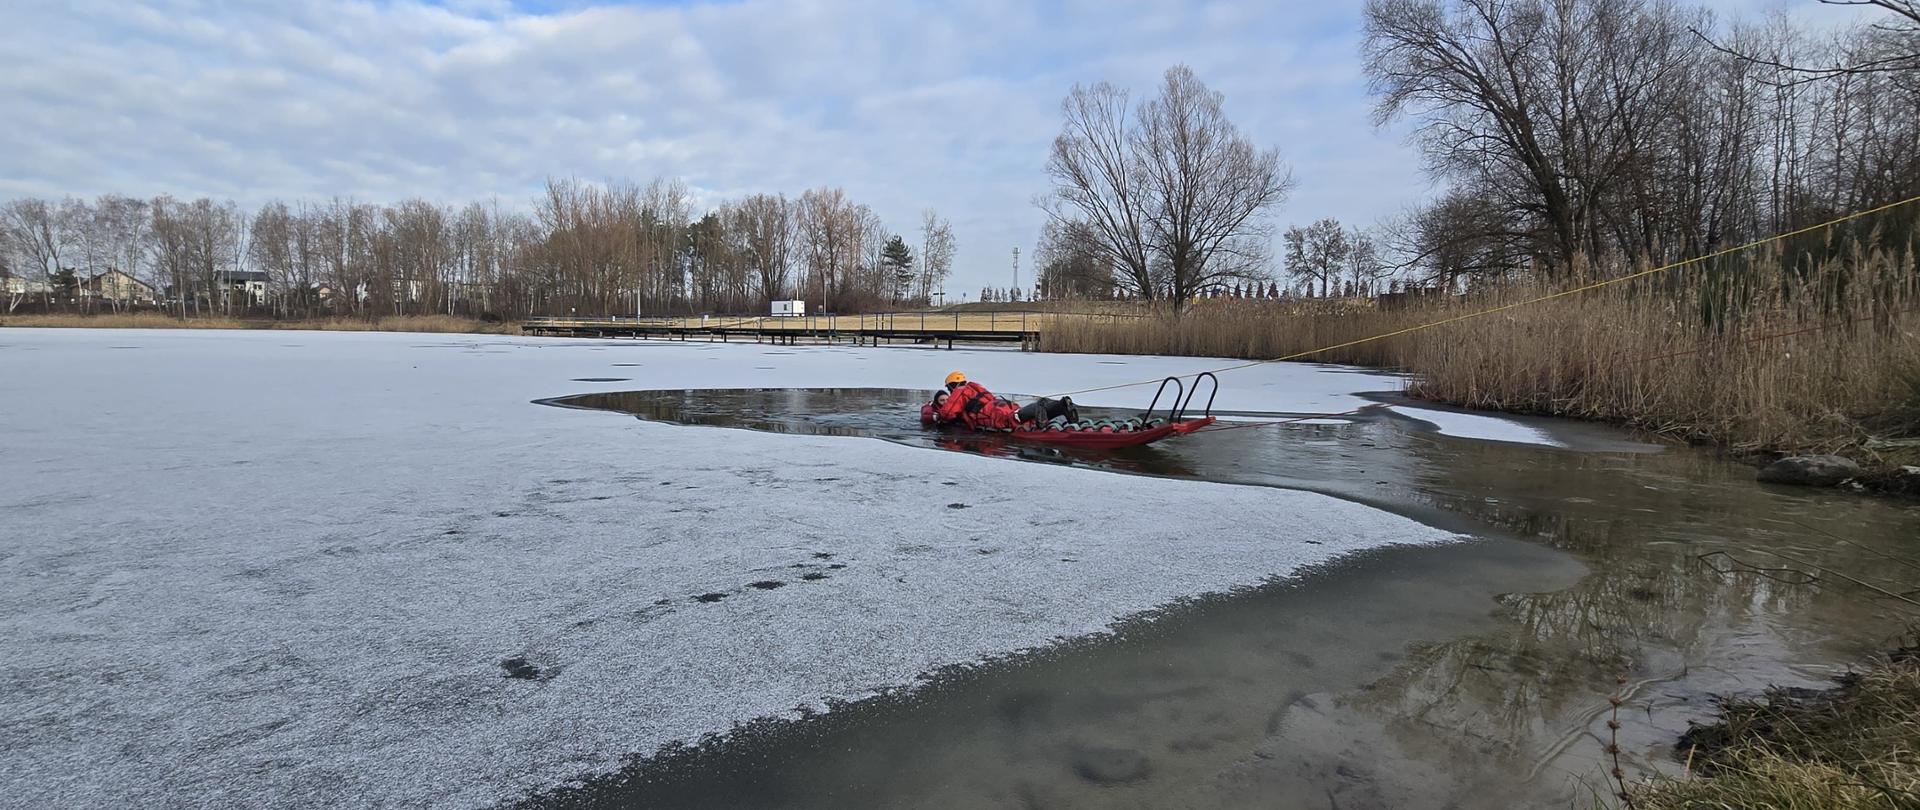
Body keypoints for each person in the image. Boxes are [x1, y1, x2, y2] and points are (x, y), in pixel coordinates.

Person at [931, 371, 1077, 431]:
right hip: (1000, 405)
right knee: (1018, 415)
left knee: (1013, 419)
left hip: (990, 413)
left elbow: (948, 413)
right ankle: (1060, 407)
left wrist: (938, 416)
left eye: (949, 389)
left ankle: (1038, 407)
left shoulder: (959, 391)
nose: (949, 392)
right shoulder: (975, 387)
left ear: (952, 385)